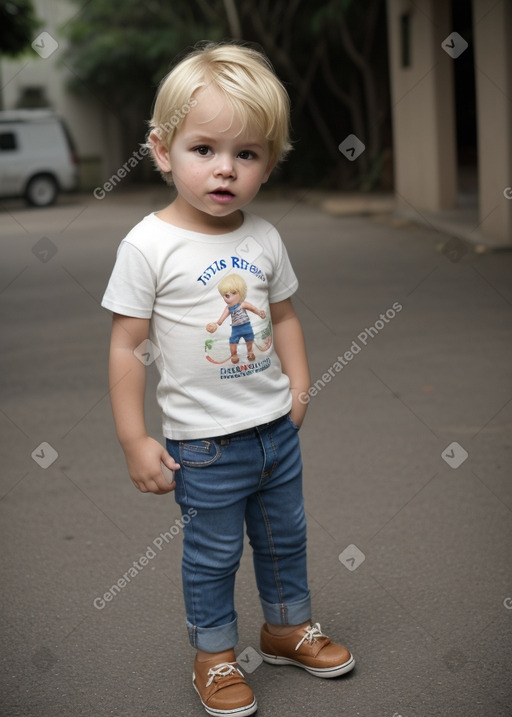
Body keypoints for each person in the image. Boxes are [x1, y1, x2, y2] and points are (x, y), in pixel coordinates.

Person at [102, 42, 354, 717]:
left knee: (285, 537)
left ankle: (284, 627)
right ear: (161, 150)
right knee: (212, 555)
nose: (225, 169)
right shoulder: (149, 245)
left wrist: (300, 386)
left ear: (269, 163)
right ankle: (214, 655)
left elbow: (286, 316)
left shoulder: (265, 237)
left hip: (275, 431)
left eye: (247, 154)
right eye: (204, 148)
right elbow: (128, 344)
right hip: (204, 445)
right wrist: (134, 438)